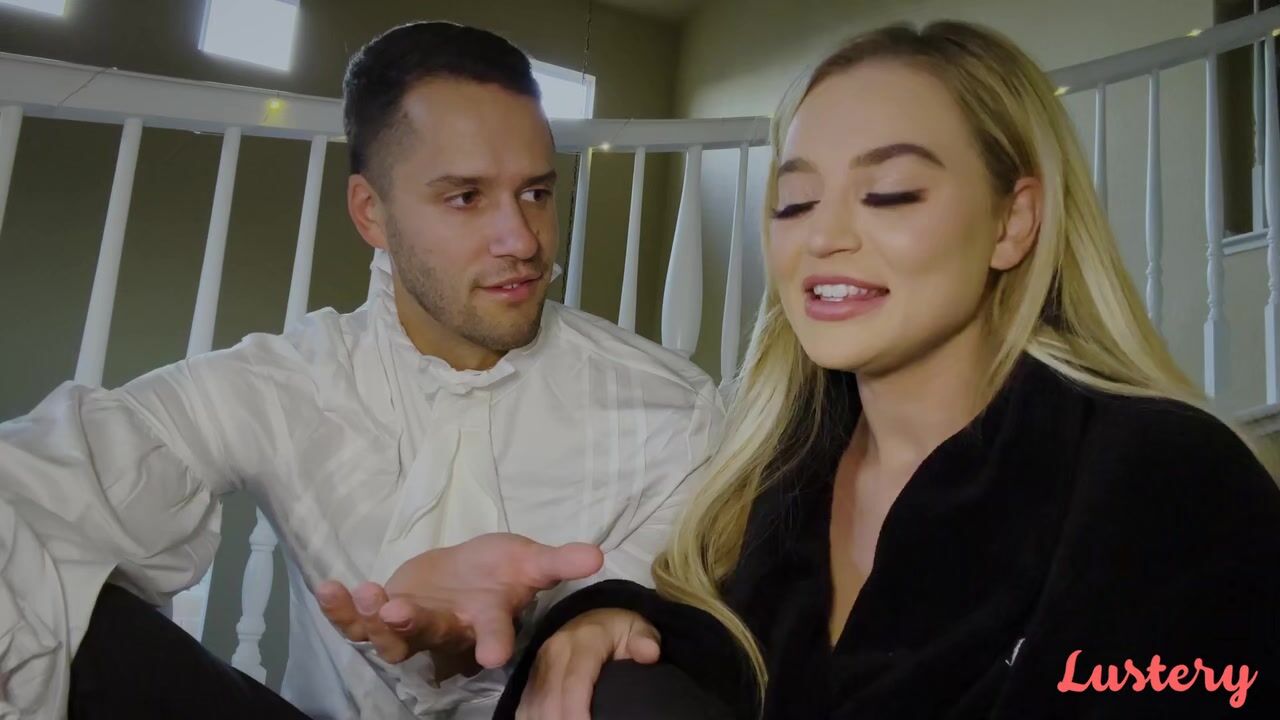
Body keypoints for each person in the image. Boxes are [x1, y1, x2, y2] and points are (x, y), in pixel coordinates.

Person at [497, 20, 1280, 720]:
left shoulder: (1169, 478)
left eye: (890, 193)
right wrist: (605, 627)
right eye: (794, 202)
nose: (822, 237)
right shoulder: (766, 491)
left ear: (1013, 221)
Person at [0, 21, 722, 720]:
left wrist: (564, 620)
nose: (522, 240)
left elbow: (678, 631)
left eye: (536, 192)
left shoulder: (672, 410)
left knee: (630, 681)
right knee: (70, 616)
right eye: (466, 197)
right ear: (370, 212)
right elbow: (50, 478)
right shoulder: (289, 379)